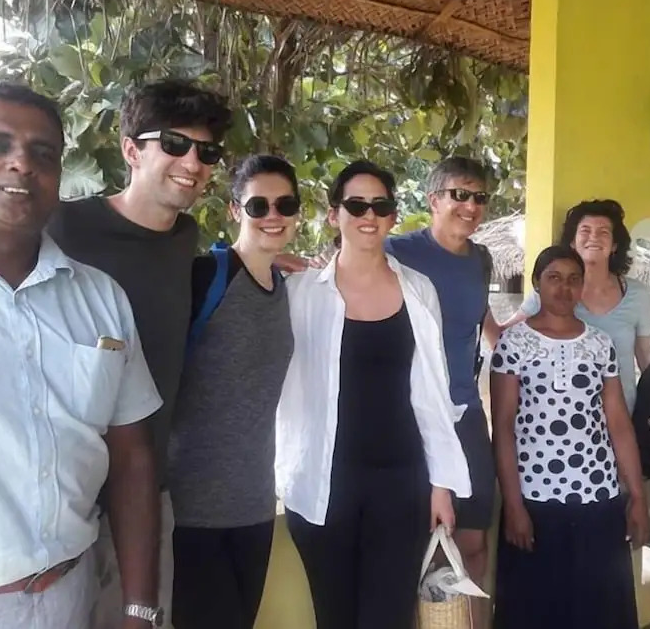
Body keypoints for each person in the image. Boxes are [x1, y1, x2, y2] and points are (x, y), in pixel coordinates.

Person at [0, 84, 163, 629]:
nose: (21, 163)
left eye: (43, 153)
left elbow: (131, 458)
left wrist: (139, 608)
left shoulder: (100, 297)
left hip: (71, 593)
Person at [276, 156, 499, 622]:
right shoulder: (301, 293)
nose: (369, 215)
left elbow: (432, 394)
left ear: (394, 216)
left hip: (403, 482)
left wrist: (441, 485)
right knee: (334, 616)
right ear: (334, 214)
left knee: (390, 616)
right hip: (324, 482)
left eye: (380, 206)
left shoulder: (417, 290)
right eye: (356, 205)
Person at [47, 79, 230, 627]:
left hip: (146, 497)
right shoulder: (62, 227)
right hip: (58, 501)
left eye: (207, 152)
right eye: (174, 144)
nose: (192, 162)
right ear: (131, 150)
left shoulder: (184, 238)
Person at [167, 155, 299, 629]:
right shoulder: (205, 277)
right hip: (192, 509)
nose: (273, 215)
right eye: (258, 205)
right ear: (234, 210)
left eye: (285, 204)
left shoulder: (286, 287)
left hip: (255, 504)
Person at [491, 245, 648, 629]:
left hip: (599, 497)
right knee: (536, 610)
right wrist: (514, 506)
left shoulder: (599, 344)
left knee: (600, 610)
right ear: (537, 284)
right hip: (535, 499)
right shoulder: (514, 344)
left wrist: (637, 497)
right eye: (554, 278)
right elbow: (504, 428)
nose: (564, 288)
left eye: (573, 279)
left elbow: (618, 423)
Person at [502, 199, 650, 410]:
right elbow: (504, 338)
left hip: (623, 415)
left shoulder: (638, 294)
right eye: (585, 230)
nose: (594, 237)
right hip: (562, 416)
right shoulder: (551, 293)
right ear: (572, 242)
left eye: (603, 232)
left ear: (615, 245)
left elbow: (645, 356)